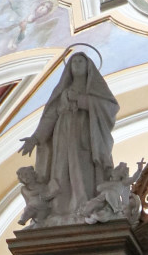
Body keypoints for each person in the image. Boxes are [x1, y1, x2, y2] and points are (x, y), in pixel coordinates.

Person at [18, 52, 119, 224]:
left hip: (85, 137)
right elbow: (50, 117)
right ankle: (61, 209)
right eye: (74, 62)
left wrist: (81, 100)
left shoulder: (96, 90)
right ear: (69, 68)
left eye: (81, 61)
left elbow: (110, 108)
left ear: (88, 66)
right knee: (61, 169)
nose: (77, 64)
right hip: (62, 136)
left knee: (82, 168)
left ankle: (83, 205)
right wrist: (35, 138)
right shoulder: (62, 92)